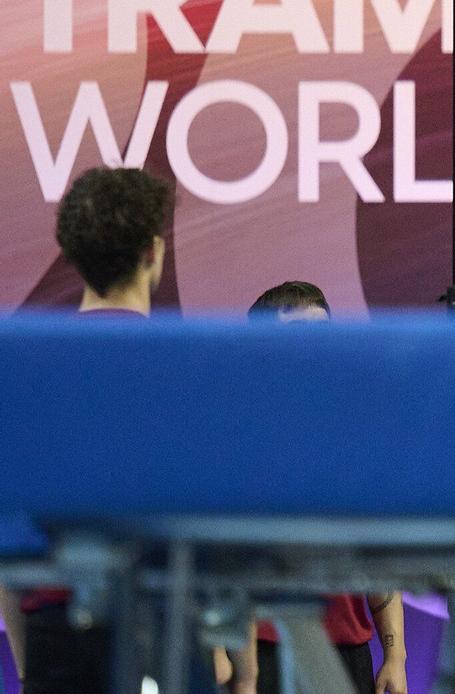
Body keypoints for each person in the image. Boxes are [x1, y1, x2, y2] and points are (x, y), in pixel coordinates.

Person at [0, 168, 247, 694]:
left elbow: (9, 531)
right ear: (153, 252)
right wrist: (216, 649)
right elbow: (205, 519)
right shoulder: (189, 369)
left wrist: (27, 658)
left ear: (74, 254)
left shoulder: (24, 377)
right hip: (165, 623)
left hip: (56, 634)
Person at [243, 283, 408, 694]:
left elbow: (377, 555)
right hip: (262, 654)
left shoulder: (358, 439)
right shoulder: (241, 439)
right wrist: (236, 667)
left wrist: (395, 656)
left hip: (347, 656)